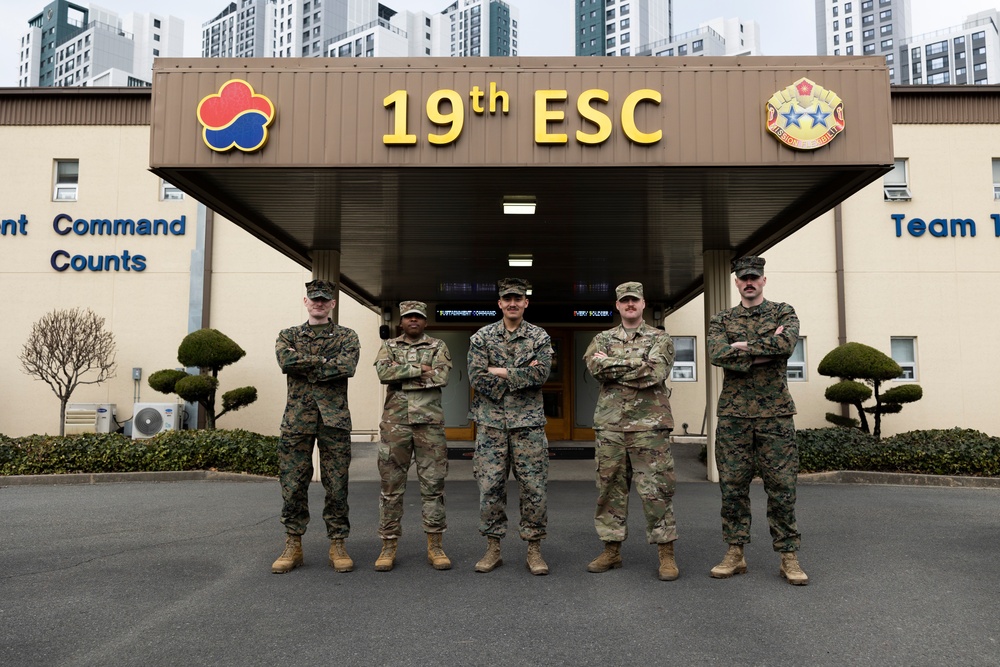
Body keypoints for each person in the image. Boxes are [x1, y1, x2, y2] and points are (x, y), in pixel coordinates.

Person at [707, 256, 808, 585]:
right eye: (743, 277)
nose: (749, 282)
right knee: (732, 488)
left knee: (782, 489)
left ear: (764, 280)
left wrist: (743, 347)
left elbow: (786, 344)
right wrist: (764, 352)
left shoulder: (783, 312)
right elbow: (716, 354)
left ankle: (788, 556)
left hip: (775, 415)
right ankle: (735, 553)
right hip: (734, 416)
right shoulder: (722, 318)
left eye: (754, 277)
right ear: (736, 282)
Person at [583, 282, 679, 581]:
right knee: (609, 488)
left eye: (634, 300)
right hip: (611, 426)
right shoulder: (601, 338)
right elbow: (594, 368)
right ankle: (611, 550)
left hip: (649, 427)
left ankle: (666, 554)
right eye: (624, 301)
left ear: (642, 303)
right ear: (617, 305)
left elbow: (655, 373)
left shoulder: (660, 338)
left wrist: (612, 364)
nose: (629, 305)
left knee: (656, 490)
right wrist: (636, 363)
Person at [271, 279, 360, 574]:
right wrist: (324, 362)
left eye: (324, 299)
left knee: (337, 486)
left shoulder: (347, 336)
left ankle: (337, 543)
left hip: (334, 421)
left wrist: (307, 363)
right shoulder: (288, 335)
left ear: (332, 304)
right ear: (306, 302)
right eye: (314, 299)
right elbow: (286, 362)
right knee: (293, 484)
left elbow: (346, 367)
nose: (319, 303)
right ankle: (293, 544)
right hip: (297, 420)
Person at [467, 278, 552, 576]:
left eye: (518, 298)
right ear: (500, 303)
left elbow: (541, 374)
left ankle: (534, 549)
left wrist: (500, 371)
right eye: (508, 298)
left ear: (526, 302)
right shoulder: (482, 337)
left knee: (534, 489)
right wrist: (519, 376)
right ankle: (493, 549)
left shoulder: (539, 336)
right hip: (491, 426)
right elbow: (477, 378)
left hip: (528, 426)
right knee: (490, 488)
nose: (513, 303)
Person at [372, 300, 453, 572]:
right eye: (409, 318)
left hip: (429, 425)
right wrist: (422, 369)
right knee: (391, 488)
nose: (413, 321)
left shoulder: (438, 346)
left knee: (433, 487)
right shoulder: (390, 346)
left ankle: (435, 545)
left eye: (418, 317)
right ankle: (388, 546)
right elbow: (384, 373)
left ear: (425, 321)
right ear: (401, 322)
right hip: (395, 426)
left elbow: (442, 377)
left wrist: (402, 374)